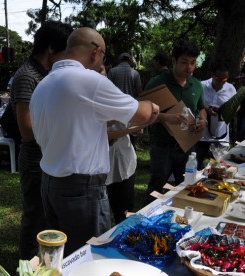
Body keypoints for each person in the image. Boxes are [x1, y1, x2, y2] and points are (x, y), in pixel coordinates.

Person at [30, 27, 160, 256]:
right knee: (88, 256)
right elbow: (140, 114)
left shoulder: (44, 84)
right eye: (104, 55)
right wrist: (152, 106)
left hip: (50, 183)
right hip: (82, 188)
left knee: (63, 256)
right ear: (96, 52)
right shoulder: (88, 80)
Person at [10, 21, 73, 260]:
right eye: (65, 51)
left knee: (50, 219)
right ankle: (26, 267)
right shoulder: (27, 76)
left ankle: (47, 264)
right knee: (35, 217)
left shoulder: (47, 75)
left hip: (50, 159)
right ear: (50, 49)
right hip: (36, 162)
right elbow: (26, 130)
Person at [143, 40, 207, 204]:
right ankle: (147, 219)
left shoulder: (196, 85)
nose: (189, 67)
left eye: (193, 63)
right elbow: (143, 113)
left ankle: (178, 216)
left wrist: (203, 119)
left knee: (186, 184)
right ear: (173, 61)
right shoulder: (158, 83)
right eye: (184, 62)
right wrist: (166, 117)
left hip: (186, 145)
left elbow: (201, 107)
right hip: (163, 146)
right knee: (158, 185)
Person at [106, 53, 143, 224]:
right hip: (104, 163)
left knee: (123, 205)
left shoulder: (121, 99)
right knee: (110, 205)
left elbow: (137, 129)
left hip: (123, 158)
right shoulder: (135, 74)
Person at [196, 62, 237, 166]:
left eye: (225, 79)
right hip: (202, 134)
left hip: (221, 135)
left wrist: (227, 110)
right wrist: (206, 109)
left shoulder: (231, 88)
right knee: (195, 162)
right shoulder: (202, 86)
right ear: (212, 75)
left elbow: (237, 106)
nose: (221, 82)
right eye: (219, 79)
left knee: (218, 167)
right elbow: (194, 104)